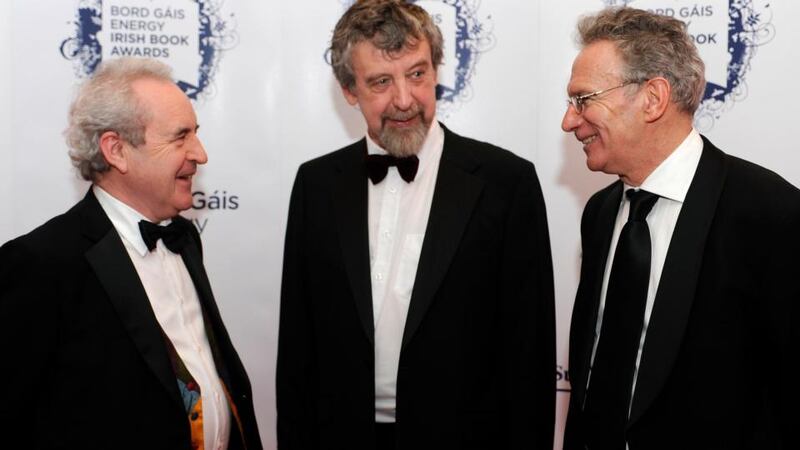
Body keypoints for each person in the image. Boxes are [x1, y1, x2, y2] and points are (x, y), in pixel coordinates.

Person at [277, 1, 555, 449]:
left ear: (436, 71)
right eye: (381, 82)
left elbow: (529, 358)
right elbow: (297, 351)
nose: (404, 99)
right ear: (350, 90)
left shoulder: (506, 183)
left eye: (417, 74)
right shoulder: (316, 185)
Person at [562, 7, 798, 450]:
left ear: (652, 97)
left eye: (583, 99)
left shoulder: (769, 214)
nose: (569, 121)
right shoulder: (600, 212)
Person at [0, 58, 261, 450]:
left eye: (196, 134)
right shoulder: (42, 263)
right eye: (180, 137)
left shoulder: (185, 238)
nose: (200, 154)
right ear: (117, 151)